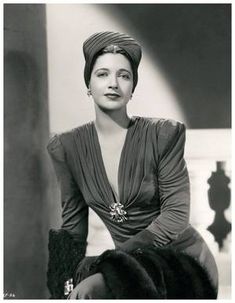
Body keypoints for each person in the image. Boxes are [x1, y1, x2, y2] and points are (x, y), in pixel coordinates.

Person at [47, 31, 218, 299]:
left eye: (123, 76)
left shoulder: (163, 135)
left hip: (179, 263)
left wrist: (112, 259)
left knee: (98, 288)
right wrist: (61, 285)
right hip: (126, 267)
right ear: (88, 84)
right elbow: (73, 229)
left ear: (132, 88)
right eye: (102, 74)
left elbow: (175, 216)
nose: (113, 83)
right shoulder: (66, 148)